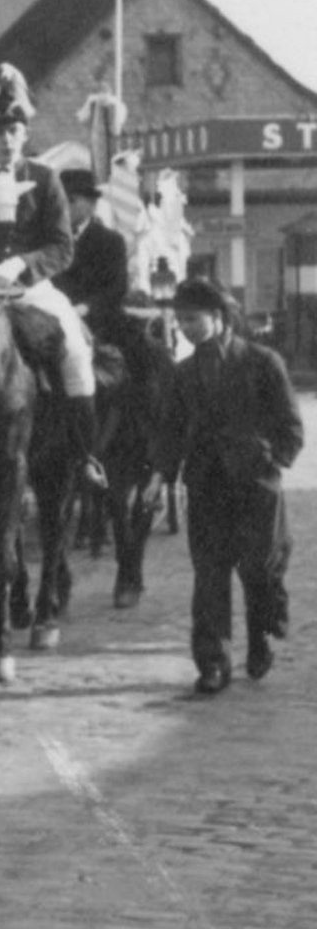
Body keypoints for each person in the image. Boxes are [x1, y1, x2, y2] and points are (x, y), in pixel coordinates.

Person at [0, 63, 105, 489]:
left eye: (14, 130)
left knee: (74, 349)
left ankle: (85, 454)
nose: (6, 139)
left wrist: (19, 267)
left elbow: (62, 247)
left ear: (25, 133)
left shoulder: (45, 178)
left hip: (29, 291)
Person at [151, 278, 300, 695]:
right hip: (206, 486)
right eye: (180, 321)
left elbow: (291, 428)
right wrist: (159, 473)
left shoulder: (262, 362)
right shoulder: (181, 375)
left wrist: (269, 460)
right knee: (210, 576)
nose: (186, 328)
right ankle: (213, 663)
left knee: (258, 570)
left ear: (218, 317)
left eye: (193, 319)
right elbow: (169, 431)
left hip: (256, 487)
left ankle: (259, 639)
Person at [54, 168, 135, 353]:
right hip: (52, 317)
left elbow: (117, 288)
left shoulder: (110, 241)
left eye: (71, 200)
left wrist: (84, 308)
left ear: (92, 204)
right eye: (58, 200)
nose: (63, 206)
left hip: (98, 320)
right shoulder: (48, 240)